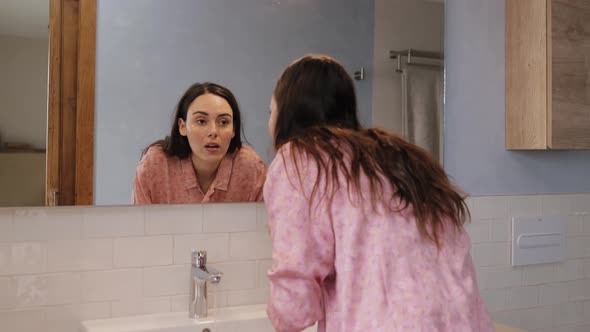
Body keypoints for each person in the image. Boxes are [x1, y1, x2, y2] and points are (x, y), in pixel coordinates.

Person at [264, 55, 493, 331]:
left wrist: (280, 317)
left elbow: (295, 307)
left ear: (286, 112)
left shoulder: (300, 161)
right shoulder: (401, 155)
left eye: (270, 111)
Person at [132, 82, 266, 204]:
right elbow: (138, 228)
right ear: (182, 127)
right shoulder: (154, 165)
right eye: (201, 121)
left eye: (223, 122)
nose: (213, 132)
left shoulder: (252, 168)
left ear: (233, 130)